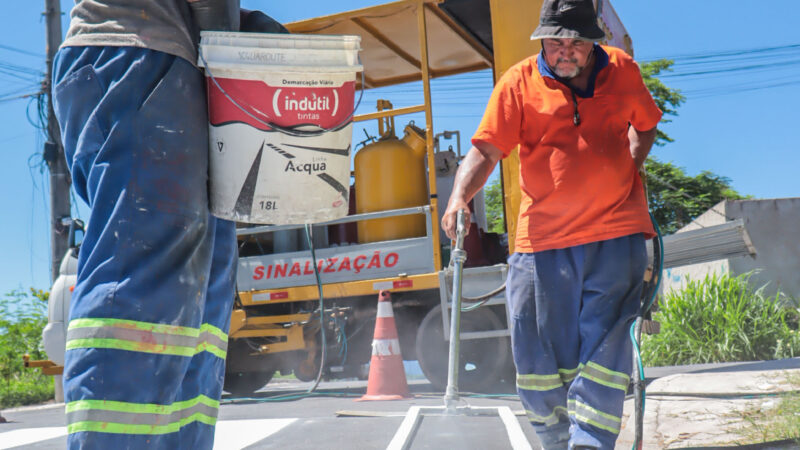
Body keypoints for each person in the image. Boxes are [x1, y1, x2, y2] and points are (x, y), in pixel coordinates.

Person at [52, 1, 285, 448]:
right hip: (143, 56)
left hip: (155, 60)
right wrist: (234, 48)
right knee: (146, 279)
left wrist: (242, 31)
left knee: (199, 290)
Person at [441, 0, 661, 449]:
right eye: (555, 41)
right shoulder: (518, 83)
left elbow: (647, 124)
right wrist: (459, 197)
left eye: (576, 42)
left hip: (616, 236)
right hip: (542, 242)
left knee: (606, 346)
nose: (565, 51)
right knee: (537, 352)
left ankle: (591, 442)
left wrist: (630, 165)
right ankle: (554, 439)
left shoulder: (622, 71)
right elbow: (486, 149)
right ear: (542, 38)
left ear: (594, 40)